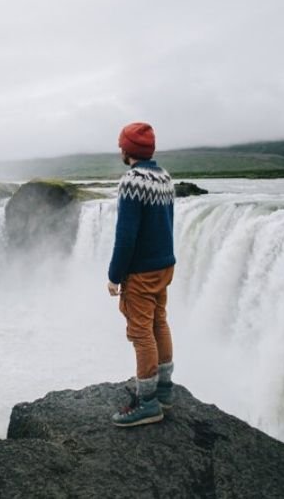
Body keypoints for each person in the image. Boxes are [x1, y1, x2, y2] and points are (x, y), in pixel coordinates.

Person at [106, 121, 177, 427]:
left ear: (126, 150)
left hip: (141, 270)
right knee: (159, 321)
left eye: (121, 145)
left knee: (140, 332)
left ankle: (147, 402)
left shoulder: (132, 181)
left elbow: (126, 235)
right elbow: (168, 223)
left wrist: (115, 274)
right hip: (164, 265)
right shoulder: (165, 178)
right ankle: (164, 389)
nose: (120, 149)